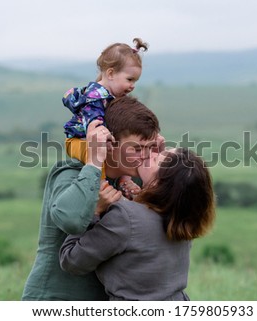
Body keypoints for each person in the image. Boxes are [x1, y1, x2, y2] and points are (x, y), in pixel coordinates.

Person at [22, 96, 160, 300]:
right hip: (55, 297)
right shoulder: (70, 172)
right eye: (137, 149)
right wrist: (94, 162)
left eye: (149, 148)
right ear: (108, 143)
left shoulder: (124, 181)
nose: (144, 156)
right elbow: (70, 219)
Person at [59, 147, 216, 301]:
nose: (150, 154)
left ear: (158, 183)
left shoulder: (124, 216)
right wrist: (136, 192)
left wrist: (92, 212)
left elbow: (71, 261)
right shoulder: (182, 217)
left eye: (155, 159)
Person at [62, 38, 149, 198]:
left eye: (135, 81)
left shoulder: (110, 96)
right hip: (78, 141)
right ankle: (100, 185)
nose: (133, 85)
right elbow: (94, 127)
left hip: (95, 139)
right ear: (110, 73)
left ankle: (124, 179)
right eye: (129, 79)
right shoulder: (94, 97)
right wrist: (106, 141)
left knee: (118, 154)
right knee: (97, 153)